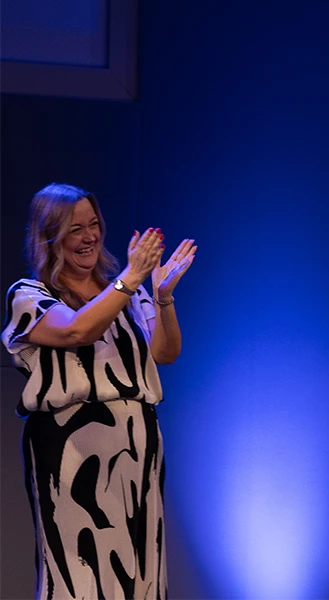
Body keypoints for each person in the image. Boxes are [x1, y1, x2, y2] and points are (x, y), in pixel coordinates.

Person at [2, 183, 196, 599]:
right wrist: (128, 279)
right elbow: (77, 330)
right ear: (49, 236)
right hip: (72, 448)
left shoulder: (126, 291)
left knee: (140, 568)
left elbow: (164, 353)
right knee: (79, 569)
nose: (89, 237)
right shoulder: (30, 295)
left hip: (137, 445)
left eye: (94, 225)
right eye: (76, 229)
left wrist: (163, 297)